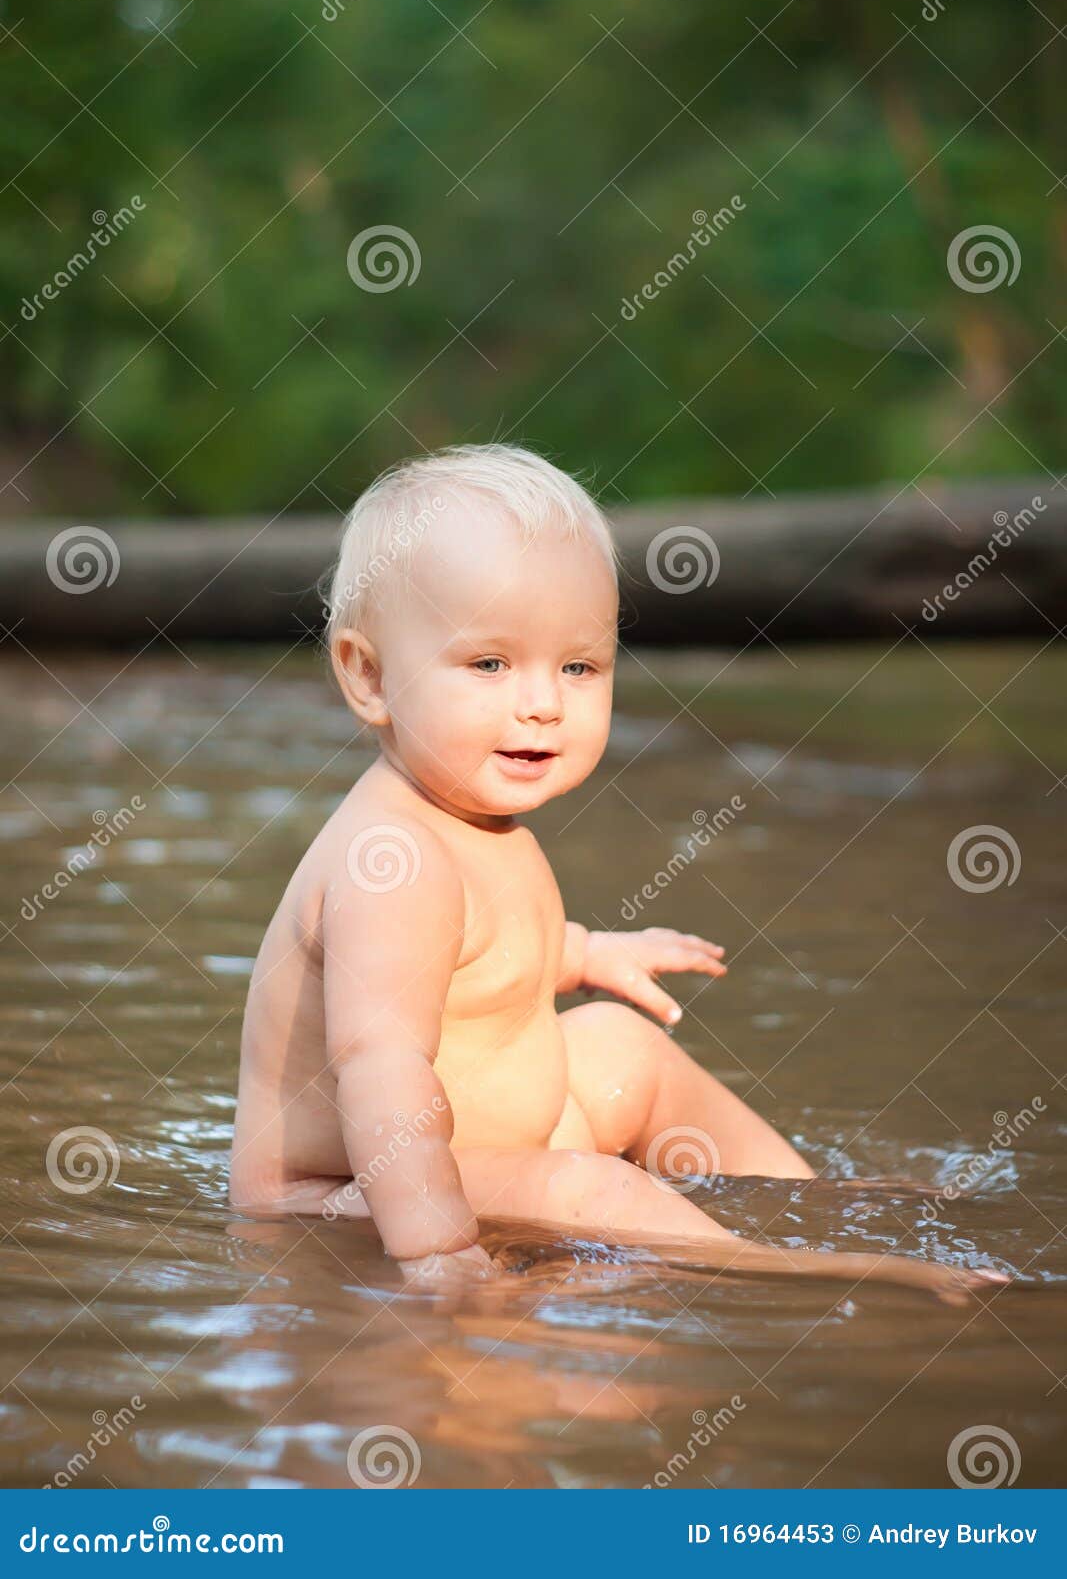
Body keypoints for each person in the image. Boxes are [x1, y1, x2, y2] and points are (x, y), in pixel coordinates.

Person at [228, 443, 1007, 1304]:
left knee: (622, 1046)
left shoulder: (467, 819)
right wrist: (441, 1252)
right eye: (489, 663)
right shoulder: (394, 861)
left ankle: (810, 1202)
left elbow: (475, 963)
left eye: (578, 666)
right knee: (591, 1192)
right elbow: (381, 1071)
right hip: (345, 1198)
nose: (543, 702)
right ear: (367, 675)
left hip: (483, 1148)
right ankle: (822, 1271)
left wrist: (585, 952)